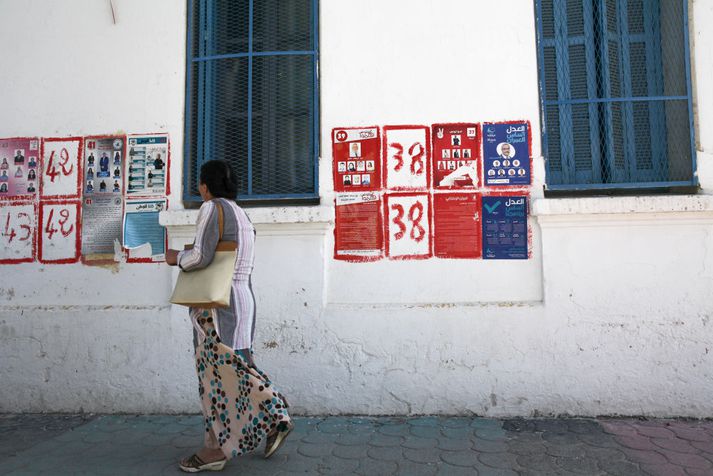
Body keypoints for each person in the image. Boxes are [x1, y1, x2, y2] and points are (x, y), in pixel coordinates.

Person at [165, 160, 292, 473]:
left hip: (219, 306)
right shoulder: (241, 214)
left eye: (200, 184)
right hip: (242, 300)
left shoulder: (211, 208)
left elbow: (200, 257)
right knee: (239, 365)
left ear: (206, 186)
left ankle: (226, 443)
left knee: (215, 377)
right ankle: (271, 419)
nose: (199, 189)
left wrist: (175, 258)